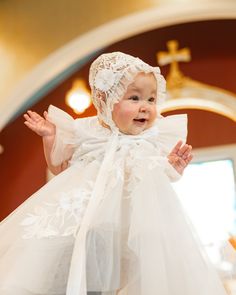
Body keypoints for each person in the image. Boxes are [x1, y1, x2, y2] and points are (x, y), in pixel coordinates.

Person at [0, 51, 230, 295]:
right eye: (134, 98)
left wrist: (171, 168)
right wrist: (50, 139)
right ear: (105, 99)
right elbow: (60, 167)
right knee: (81, 271)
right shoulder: (87, 131)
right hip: (92, 227)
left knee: (144, 276)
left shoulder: (150, 139)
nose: (145, 107)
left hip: (137, 229)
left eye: (151, 100)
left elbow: (156, 177)